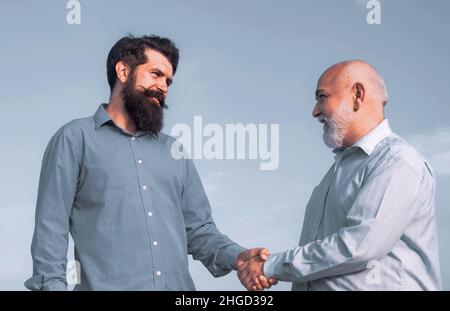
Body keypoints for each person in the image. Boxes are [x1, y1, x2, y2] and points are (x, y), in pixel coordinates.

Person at [25, 35, 273, 291]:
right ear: (123, 71)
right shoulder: (75, 139)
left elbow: (199, 231)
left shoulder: (174, 152)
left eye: (168, 81)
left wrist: (238, 258)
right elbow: (50, 232)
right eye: (155, 74)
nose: (163, 86)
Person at [237, 60, 443, 291]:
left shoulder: (398, 162)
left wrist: (267, 267)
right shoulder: (334, 174)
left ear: (357, 95)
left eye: (322, 97)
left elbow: (358, 246)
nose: (315, 111)